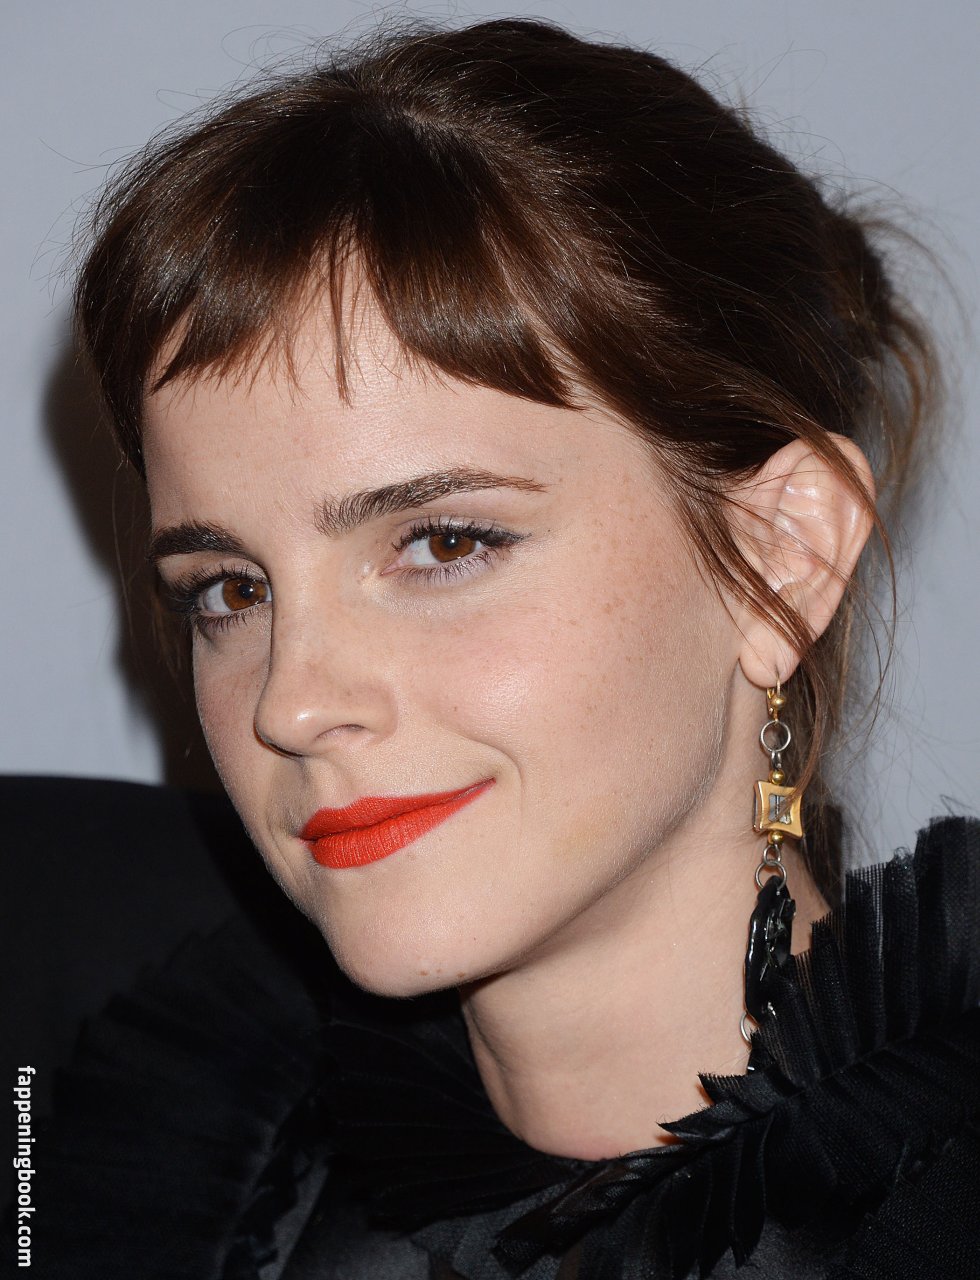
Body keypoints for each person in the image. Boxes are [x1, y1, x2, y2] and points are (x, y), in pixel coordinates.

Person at [9, 17, 979, 1279]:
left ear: (780, 552)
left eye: (443, 542)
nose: (290, 702)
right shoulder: (161, 1118)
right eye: (230, 589)